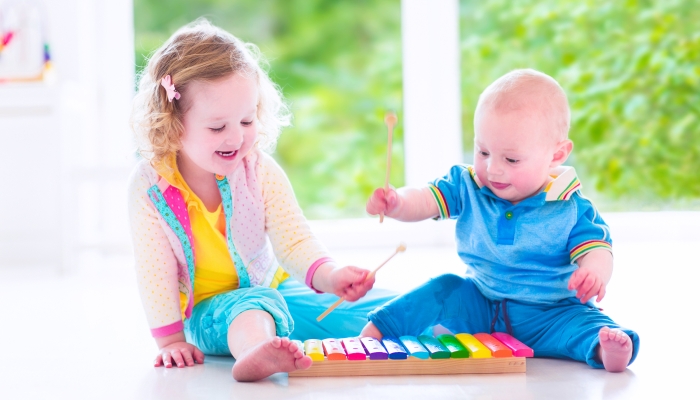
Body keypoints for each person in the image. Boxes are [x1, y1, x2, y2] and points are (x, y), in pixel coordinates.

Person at [128, 19, 394, 382]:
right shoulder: (150, 189)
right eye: (218, 127)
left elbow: (294, 238)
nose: (237, 137)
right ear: (172, 125)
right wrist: (170, 340)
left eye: (247, 120)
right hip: (206, 313)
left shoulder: (258, 170)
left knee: (381, 310)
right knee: (252, 309)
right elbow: (153, 271)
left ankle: (445, 320)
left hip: (272, 287)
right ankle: (257, 352)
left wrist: (332, 277)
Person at [361, 69, 639, 372]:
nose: (493, 169)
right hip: (482, 302)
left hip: (552, 313)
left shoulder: (571, 208)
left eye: (511, 160)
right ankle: (375, 333)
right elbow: (426, 199)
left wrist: (594, 273)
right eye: (483, 151)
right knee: (441, 289)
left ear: (557, 154)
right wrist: (398, 202)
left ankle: (605, 350)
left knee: (587, 325)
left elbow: (597, 250)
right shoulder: (468, 184)